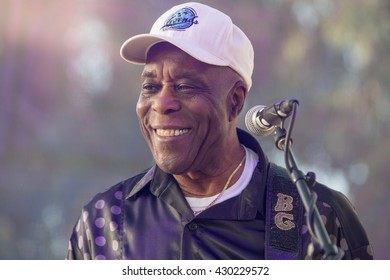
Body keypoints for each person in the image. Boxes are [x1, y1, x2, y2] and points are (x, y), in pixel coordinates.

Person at [66, 2, 373, 260]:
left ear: (235, 101)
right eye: (150, 87)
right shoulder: (104, 221)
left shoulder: (317, 216)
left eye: (185, 86)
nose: (162, 104)